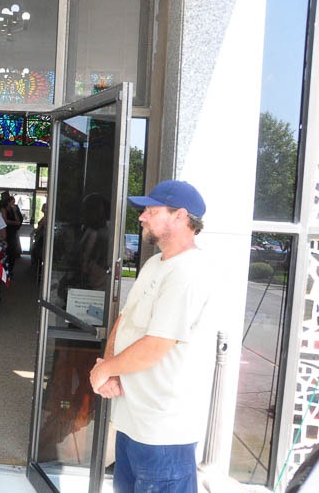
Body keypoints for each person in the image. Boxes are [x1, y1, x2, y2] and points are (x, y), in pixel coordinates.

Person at [88, 180, 215, 493]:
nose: (142, 217)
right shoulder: (154, 264)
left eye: (151, 211)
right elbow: (125, 319)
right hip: (133, 420)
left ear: (180, 216)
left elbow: (157, 345)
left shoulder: (189, 272)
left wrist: (104, 369)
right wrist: (111, 368)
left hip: (164, 433)